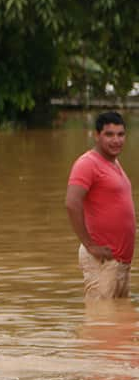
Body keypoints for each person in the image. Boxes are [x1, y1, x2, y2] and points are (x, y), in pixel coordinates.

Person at [66, 111, 135, 300]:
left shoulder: (114, 163)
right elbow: (72, 203)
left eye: (120, 134)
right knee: (101, 323)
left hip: (119, 263)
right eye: (109, 134)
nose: (116, 140)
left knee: (116, 324)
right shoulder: (87, 163)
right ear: (96, 135)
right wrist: (90, 245)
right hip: (101, 261)